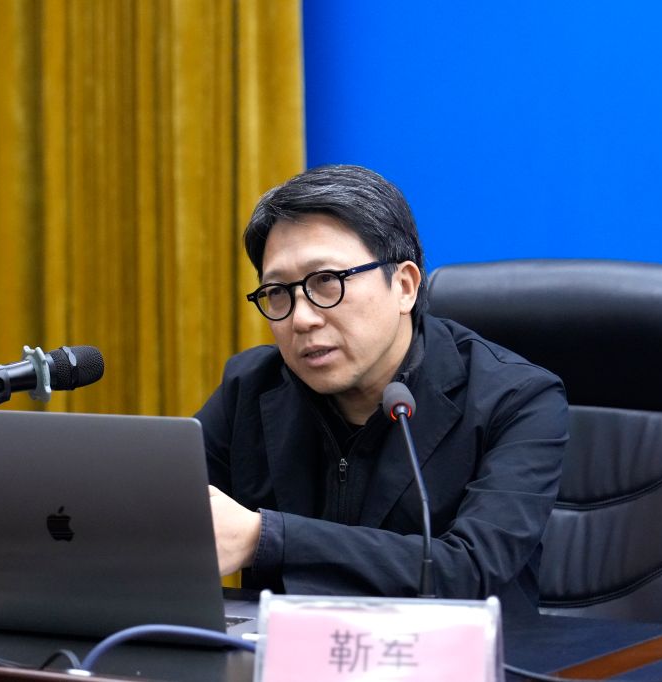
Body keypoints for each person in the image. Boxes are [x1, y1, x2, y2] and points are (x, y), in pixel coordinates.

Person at [196, 164, 568, 616]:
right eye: (278, 292)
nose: (301, 318)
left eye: (326, 282)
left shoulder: (517, 399)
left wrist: (269, 537)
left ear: (405, 287)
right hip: (286, 651)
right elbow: (159, 515)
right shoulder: (250, 387)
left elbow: (469, 571)